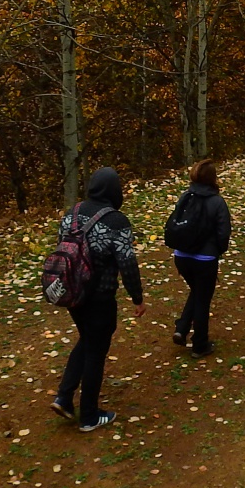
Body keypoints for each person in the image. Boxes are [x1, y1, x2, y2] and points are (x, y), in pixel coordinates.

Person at [54, 167, 146, 428]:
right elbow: (127, 263)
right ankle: (90, 416)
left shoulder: (71, 214)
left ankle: (63, 397)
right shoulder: (117, 221)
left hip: (73, 294)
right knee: (96, 349)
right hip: (100, 297)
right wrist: (137, 297)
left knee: (88, 339)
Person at [169, 160, 232, 359]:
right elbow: (223, 233)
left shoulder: (185, 197)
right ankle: (200, 345)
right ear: (213, 178)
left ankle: (182, 327)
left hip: (181, 256)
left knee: (197, 291)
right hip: (205, 258)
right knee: (202, 298)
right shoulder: (217, 202)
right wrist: (217, 251)